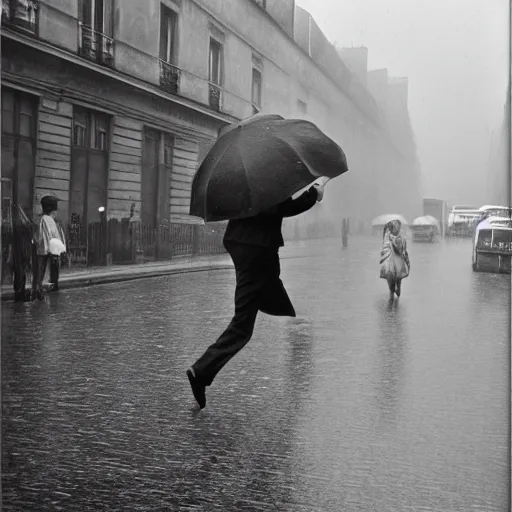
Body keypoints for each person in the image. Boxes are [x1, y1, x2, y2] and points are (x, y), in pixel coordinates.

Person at [187, 181, 326, 409]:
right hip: (257, 251)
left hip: (247, 247)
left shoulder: (249, 177)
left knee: (251, 312)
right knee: (242, 325)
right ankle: (200, 372)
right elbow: (280, 208)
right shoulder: (270, 179)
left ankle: (201, 373)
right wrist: (313, 195)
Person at [35, 196, 67, 299]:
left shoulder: (48, 220)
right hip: (48, 250)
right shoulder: (47, 220)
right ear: (51, 210)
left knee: (44, 270)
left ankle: (41, 288)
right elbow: (50, 235)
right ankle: (39, 289)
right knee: (43, 270)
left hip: (49, 249)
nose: (56, 212)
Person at [379, 219, 410, 298]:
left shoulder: (398, 239)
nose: (398, 229)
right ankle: (393, 289)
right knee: (394, 277)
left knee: (396, 277)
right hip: (392, 264)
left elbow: (402, 250)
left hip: (395, 264)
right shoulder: (391, 239)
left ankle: (394, 289)